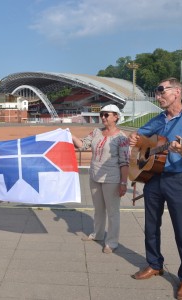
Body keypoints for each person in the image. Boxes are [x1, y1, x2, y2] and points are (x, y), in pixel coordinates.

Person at [128, 78, 182, 300]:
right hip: (153, 178)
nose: (158, 95)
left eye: (161, 90)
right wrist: (135, 138)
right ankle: (154, 264)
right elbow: (140, 136)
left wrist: (181, 150)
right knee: (151, 226)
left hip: (177, 180)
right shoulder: (159, 119)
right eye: (156, 91)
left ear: (177, 92)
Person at [72, 104, 129, 254]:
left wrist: (123, 183)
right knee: (98, 209)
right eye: (101, 115)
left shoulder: (121, 138)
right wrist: (69, 136)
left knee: (112, 212)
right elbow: (83, 145)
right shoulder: (96, 132)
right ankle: (97, 234)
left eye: (106, 115)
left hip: (112, 179)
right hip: (95, 176)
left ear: (116, 117)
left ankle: (111, 242)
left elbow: (124, 162)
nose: (103, 117)